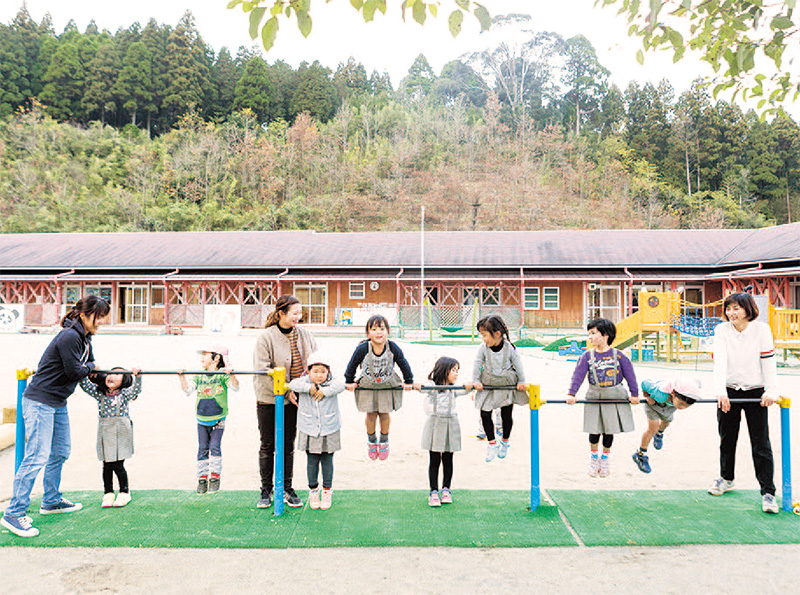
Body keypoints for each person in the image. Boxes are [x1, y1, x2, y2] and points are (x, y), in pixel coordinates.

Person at [1, 295, 109, 538]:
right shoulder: (69, 336)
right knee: (36, 455)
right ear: (84, 315)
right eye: (99, 317)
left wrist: (109, 375)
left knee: (60, 451)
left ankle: (51, 500)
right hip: (40, 401)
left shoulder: (84, 338)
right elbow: (75, 372)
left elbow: (88, 366)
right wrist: (93, 368)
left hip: (58, 402)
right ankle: (14, 513)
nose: (101, 322)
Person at [708, 292, 780, 514]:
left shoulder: (761, 330)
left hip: (755, 392)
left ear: (748, 309)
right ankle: (726, 478)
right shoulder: (721, 330)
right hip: (729, 391)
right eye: (728, 308)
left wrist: (771, 391)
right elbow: (720, 362)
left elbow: (768, 363)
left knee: (761, 443)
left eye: (736, 308)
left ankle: (768, 492)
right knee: (727, 438)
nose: (731, 313)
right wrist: (720, 391)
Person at [253, 295, 317, 509]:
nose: (299, 317)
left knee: (288, 444)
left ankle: (286, 487)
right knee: (268, 443)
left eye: (300, 313)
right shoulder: (266, 337)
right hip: (270, 398)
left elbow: (316, 362)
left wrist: (299, 387)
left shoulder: (305, 335)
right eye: (295, 313)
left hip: (296, 398)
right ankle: (266, 489)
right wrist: (283, 389)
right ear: (281, 313)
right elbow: (262, 369)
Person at [566, 318, 639, 478]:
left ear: (605, 335)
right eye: (589, 334)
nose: (590, 337)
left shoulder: (619, 356)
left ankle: (605, 458)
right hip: (594, 395)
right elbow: (578, 376)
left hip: (614, 396)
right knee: (594, 429)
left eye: (593, 333)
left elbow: (630, 376)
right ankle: (593, 457)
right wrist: (572, 394)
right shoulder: (587, 356)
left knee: (609, 429)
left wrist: (634, 394)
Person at [345, 315, 415, 461]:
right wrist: (349, 381)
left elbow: (403, 363)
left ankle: (384, 440)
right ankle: (371, 441)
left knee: (384, 413)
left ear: (388, 331)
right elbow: (352, 364)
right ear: (368, 333)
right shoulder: (363, 348)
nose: (378, 332)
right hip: (368, 384)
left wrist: (409, 381)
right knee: (370, 413)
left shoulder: (392, 347)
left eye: (382, 329)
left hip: (387, 384)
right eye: (374, 329)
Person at [178, 345, 239, 495]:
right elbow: (187, 390)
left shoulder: (222, 375)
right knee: (202, 448)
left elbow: (235, 387)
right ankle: (202, 478)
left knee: (215, 447)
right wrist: (181, 376)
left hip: (218, 419)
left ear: (216, 358)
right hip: (202, 419)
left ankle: (215, 477)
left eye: (205, 355)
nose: (201, 358)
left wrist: (231, 374)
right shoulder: (199, 375)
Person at [289, 351, 345, 510]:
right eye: (315, 371)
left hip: (329, 428)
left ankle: (327, 491)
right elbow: (293, 384)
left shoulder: (332, 382)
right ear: (308, 371)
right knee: (312, 461)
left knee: (328, 460)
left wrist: (324, 391)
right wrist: (309, 388)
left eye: (323, 371)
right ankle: (313, 490)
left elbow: (341, 385)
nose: (319, 375)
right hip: (310, 429)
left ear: (328, 371)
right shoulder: (304, 382)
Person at [79, 366, 143, 507]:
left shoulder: (125, 394)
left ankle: (124, 492)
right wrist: (83, 370)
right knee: (106, 464)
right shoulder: (100, 394)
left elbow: (136, 390)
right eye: (109, 374)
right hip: (105, 430)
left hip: (121, 430)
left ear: (125, 379)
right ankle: (108, 493)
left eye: (117, 374)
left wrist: (138, 377)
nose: (111, 377)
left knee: (118, 464)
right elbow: (84, 384)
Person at [471, 315, 527, 462]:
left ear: (497, 334)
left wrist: (521, 380)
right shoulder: (483, 348)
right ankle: (492, 443)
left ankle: (505, 441)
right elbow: (477, 364)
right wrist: (475, 380)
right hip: (488, 382)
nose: (483, 338)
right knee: (484, 413)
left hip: (506, 383)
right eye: (481, 335)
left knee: (506, 415)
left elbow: (518, 364)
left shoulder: (509, 348)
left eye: (484, 335)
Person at [422, 357, 472, 507]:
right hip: (435, 422)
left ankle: (446, 489)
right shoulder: (433, 386)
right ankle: (433, 491)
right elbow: (423, 390)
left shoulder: (454, 388)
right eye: (453, 370)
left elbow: (465, 390)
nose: (456, 374)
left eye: (458, 371)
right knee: (435, 459)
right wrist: (418, 386)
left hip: (451, 423)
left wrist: (472, 386)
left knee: (448, 458)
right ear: (444, 370)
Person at [631, 377, 700, 473]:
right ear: (672, 393)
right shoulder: (660, 394)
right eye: (681, 404)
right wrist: (647, 396)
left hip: (669, 407)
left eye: (686, 406)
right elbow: (645, 383)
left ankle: (659, 434)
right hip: (653, 405)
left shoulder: (688, 395)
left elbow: (696, 383)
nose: (682, 408)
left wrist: (678, 404)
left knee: (666, 423)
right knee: (652, 429)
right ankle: (640, 454)